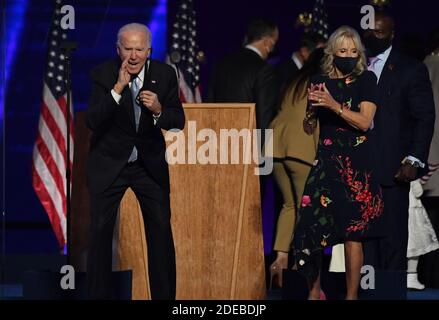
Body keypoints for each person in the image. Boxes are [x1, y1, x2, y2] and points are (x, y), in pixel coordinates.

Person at [85, 23, 185, 299]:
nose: (133, 55)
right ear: (118, 49)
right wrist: (117, 89)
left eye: (139, 49)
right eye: (127, 49)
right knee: (100, 235)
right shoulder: (103, 74)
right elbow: (92, 120)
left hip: (147, 167)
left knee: (161, 235)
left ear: (149, 50)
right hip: (109, 166)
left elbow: (178, 122)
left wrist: (158, 110)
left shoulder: (165, 75)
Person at [291, 26, 384, 300]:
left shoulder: (367, 79)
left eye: (353, 51)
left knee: (353, 235)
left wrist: (333, 105)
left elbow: (365, 122)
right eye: (343, 51)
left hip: (356, 166)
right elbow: (309, 128)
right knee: (310, 229)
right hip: (326, 162)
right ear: (332, 52)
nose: (348, 55)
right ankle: (315, 290)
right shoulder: (320, 80)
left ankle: (351, 295)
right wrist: (310, 112)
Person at [362, 12, 435, 277]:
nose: (373, 37)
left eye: (379, 32)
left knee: (392, 241)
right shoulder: (355, 67)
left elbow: (424, 117)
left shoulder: (410, 68)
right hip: (358, 169)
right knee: (361, 242)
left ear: (392, 35)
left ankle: (388, 293)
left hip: (393, 169)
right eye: (369, 32)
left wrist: (414, 160)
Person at [266, 48, 324, 288]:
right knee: (307, 211)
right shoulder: (321, 81)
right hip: (300, 148)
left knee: (289, 205)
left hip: (275, 144)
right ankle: (305, 275)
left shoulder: (295, 78)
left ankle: (279, 259)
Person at [207, 18, 280, 139]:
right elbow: (264, 118)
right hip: (246, 146)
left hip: (218, 141)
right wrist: (265, 156)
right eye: (274, 43)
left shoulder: (222, 64)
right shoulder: (264, 70)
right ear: (267, 42)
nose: (272, 49)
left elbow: (209, 105)